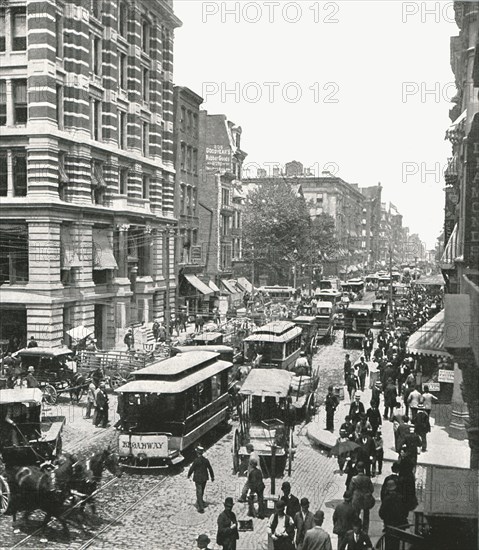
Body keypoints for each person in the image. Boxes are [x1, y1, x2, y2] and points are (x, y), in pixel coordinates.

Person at [378, 480, 409, 550]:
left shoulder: (386, 499)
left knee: (389, 545)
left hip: (389, 526)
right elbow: (406, 512)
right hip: (400, 526)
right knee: (397, 545)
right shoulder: (401, 498)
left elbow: (381, 513)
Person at [349, 462, 375, 534]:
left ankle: (356, 529)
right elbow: (372, 489)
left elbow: (350, 490)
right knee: (366, 515)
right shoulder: (367, 479)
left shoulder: (354, 479)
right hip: (366, 499)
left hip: (356, 498)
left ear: (357, 468)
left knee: (356, 514)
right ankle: (365, 531)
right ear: (363, 469)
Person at [188, 445, 215, 513]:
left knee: (198, 492)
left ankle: (200, 507)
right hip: (204, 478)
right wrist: (212, 477)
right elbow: (210, 468)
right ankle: (200, 501)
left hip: (198, 479)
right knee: (202, 490)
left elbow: (192, 468)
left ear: (197, 453)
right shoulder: (206, 460)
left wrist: (189, 475)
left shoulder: (196, 460)